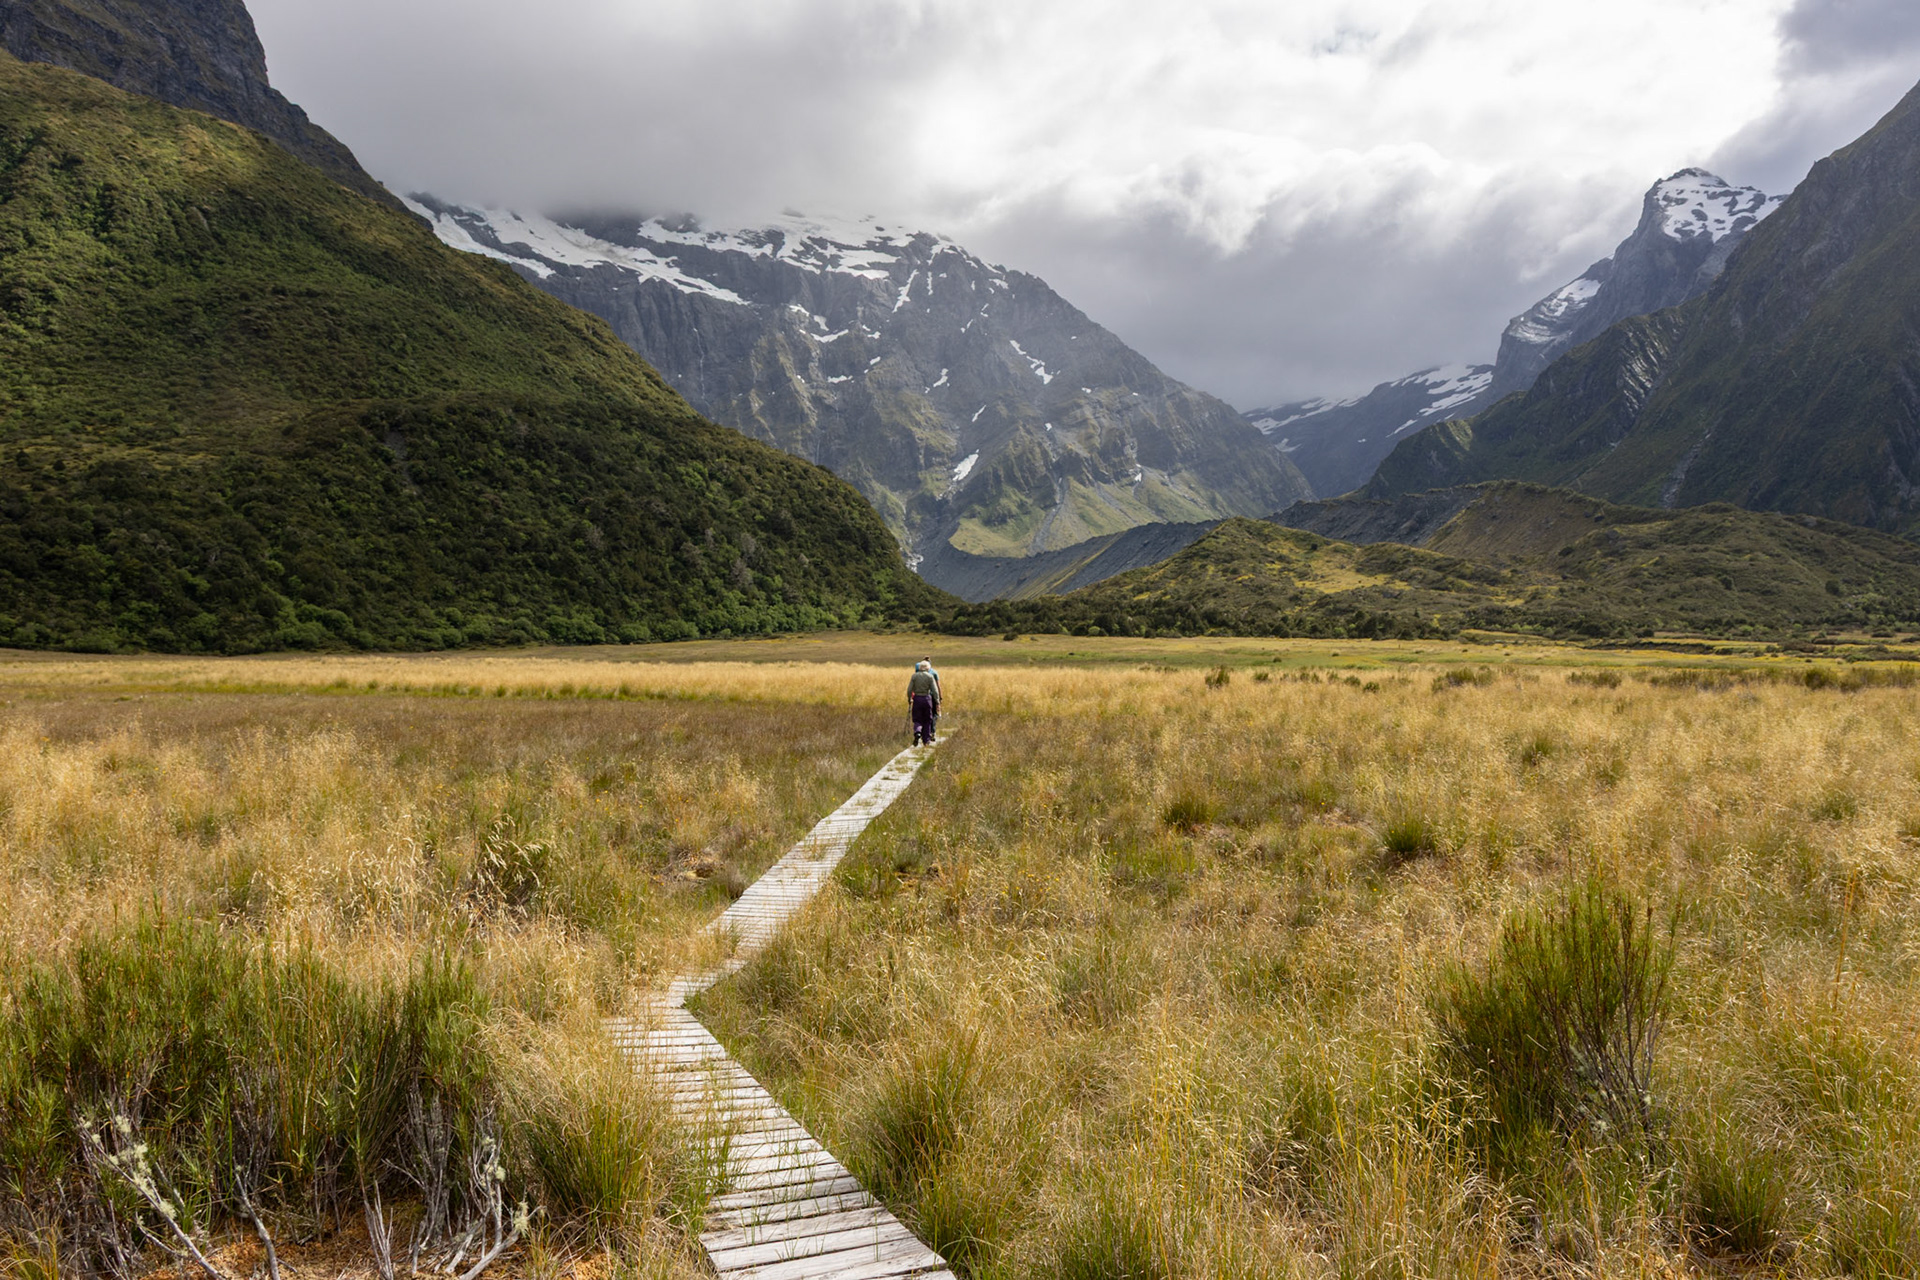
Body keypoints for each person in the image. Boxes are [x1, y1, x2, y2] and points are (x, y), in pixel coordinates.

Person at [908, 659, 940, 745]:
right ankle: (926, 740)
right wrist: (937, 701)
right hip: (927, 698)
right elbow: (935, 690)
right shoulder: (930, 677)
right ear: (928, 668)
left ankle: (917, 732)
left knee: (917, 718)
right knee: (927, 719)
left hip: (917, 699)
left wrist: (909, 698)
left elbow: (909, 689)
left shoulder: (914, 676)